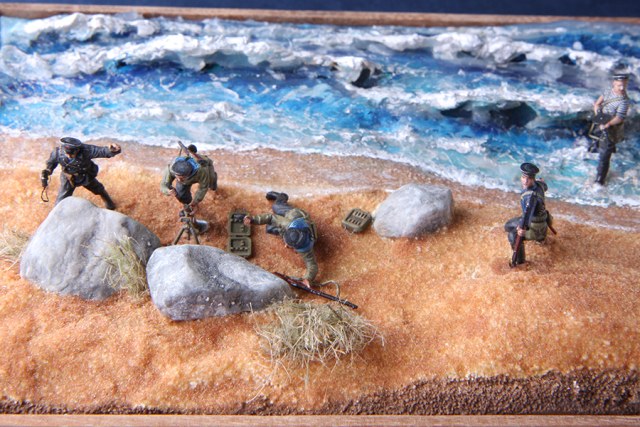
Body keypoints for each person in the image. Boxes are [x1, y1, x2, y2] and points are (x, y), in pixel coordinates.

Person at [243, 192, 318, 286]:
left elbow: (312, 265)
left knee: (269, 229)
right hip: (291, 215)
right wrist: (253, 219)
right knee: (276, 207)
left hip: (294, 219)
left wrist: (308, 279)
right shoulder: (289, 224)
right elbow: (271, 218)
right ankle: (282, 196)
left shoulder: (306, 248)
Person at [41, 137, 121, 209]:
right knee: (61, 200)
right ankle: (58, 213)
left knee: (99, 189)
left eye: (72, 154)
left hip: (85, 176)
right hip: (68, 177)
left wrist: (111, 150)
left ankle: (110, 204)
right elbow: (51, 164)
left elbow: (101, 151)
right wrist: (47, 171)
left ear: (77, 150)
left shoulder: (86, 150)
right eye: (67, 153)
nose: (69, 156)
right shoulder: (57, 152)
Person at [504, 163, 552, 266]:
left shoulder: (529, 197)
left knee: (512, 235)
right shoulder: (540, 185)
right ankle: (540, 240)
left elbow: (528, 215)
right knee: (508, 225)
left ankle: (520, 261)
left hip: (535, 227)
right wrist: (541, 182)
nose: (525, 181)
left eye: (529, 179)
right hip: (542, 220)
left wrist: (522, 228)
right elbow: (545, 186)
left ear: (533, 179)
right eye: (523, 177)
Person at [590, 73, 631, 185]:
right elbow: (597, 104)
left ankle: (600, 180)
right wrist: (598, 115)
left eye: (624, 85)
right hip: (601, 123)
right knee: (596, 143)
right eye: (619, 85)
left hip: (610, 129)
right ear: (614, 83)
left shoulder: (624, 101)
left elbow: (619, 118)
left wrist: (607, 124)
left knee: (604, 156)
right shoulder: (608, 91)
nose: (622, 88)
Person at [160, 144, 215, 215]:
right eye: (177, 177)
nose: (179, 180)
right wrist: (168, 191)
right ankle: (189, 206)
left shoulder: (201, 170)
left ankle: (213, 185)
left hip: (206, 164)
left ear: (189, 174)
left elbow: (203, 187)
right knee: (181, 196)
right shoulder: (171, 168)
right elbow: (163, 184)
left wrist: (196, 201)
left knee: (211, 182)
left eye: (182, 178)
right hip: (187, 179)